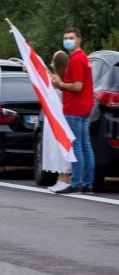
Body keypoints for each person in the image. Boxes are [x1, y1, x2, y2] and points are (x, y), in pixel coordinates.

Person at [52, 27, 95, 195]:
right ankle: (87, 182)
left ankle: (76, 182)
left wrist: (60, 84)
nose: (67, 40)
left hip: (75, 108)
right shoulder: (83, 58)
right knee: (85, 145)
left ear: (79, 39)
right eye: (65, 37)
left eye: (71, 37)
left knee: (76, 146)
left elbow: (77, 86)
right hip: (83, 106)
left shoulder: (77, 59)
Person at [44, 51, 73, 192]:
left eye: (53, 61)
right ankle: (60, 178)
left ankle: (65, 178)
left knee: (61, 147)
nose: (52, 64)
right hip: (54, 115)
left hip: (59, 116)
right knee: (55, 148)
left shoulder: (61, 79)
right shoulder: (57, 78)